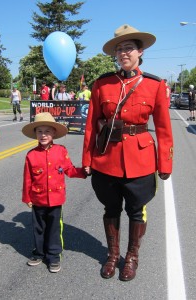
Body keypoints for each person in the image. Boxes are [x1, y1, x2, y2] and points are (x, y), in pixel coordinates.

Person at [82, 24, 173, 281]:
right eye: (119, 49)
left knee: (136, 210)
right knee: (110, 209)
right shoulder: (102, 84)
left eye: (129, 48)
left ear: (140, 51)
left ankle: (132, 256)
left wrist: (165, 162)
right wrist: (87, 159)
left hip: (141, 160)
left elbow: (164, 128)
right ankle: (112, 254)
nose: (124, 53)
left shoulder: (154, 85)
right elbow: (91, 127)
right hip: (106, 159)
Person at [22, 112, 86, 273]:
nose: (43, 135)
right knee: (38, 228)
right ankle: (39, 253)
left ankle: (53, 256)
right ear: (35, 134)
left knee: (54, 229)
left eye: (47, 131)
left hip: (56, 199)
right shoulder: (31, 155)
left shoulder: (61, 151)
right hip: (38, 199)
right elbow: (27, 179)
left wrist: (84, 172)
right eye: (40, 131)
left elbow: (69, 170)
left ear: (54, 133)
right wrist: (27, 197)